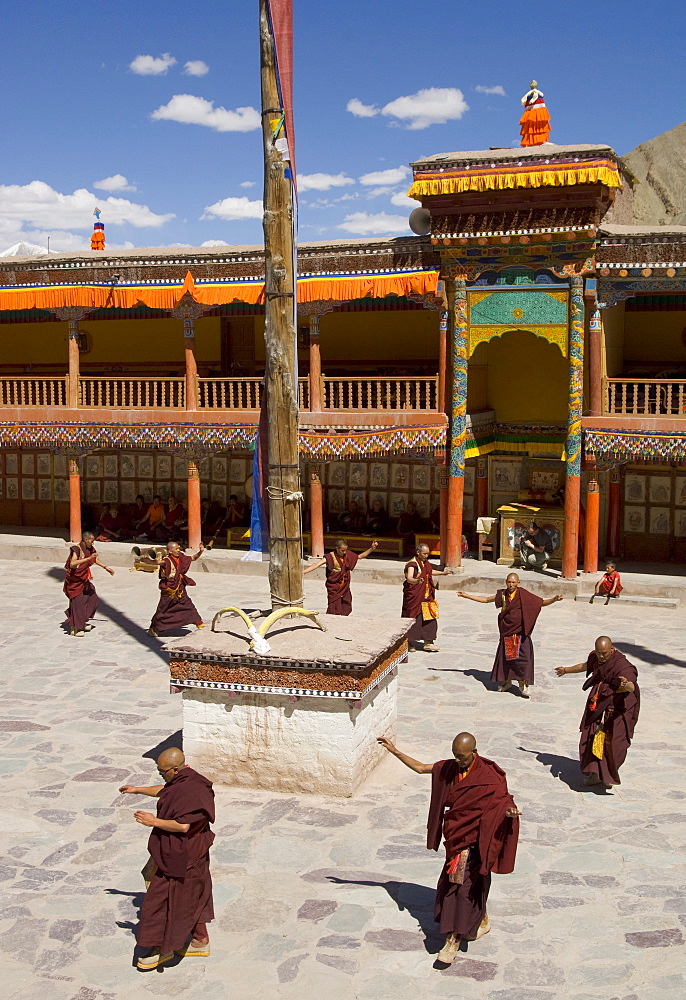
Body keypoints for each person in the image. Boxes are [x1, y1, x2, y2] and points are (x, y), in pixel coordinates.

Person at [377, 733, 520, 966]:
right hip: (456, 837)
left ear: (474, 752)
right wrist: (394, 751)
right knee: (463, 884)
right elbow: (421, 768)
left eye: (462, 757)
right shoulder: (451, 768)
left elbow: (503, 801)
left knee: (459, 888)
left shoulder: (490, 776)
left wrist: (510, 813)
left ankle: (452, 939)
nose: (459, 761)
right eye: (455, 756)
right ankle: (481, 918)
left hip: (476, 840)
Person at [118, 748, 215, 971]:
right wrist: (137, 790)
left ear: (175, 768)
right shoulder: (184, 779)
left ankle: (160, 948)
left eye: (163, 771)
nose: (161, 774)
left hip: (185, 854)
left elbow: (183, 825)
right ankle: (200, 941)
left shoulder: (194, 789)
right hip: (179, 851)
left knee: (160, 900)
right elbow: (166, 790)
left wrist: (154, 821)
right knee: (193, 894)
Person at [458, 573, 562, 697]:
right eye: (509, 582)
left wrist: (554, 599)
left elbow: (541, 603)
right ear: (506, 582)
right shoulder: (502, 595)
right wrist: (467, 596)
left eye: (513, 582)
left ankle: (523, 683)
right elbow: (486, 600)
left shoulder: (524, 595)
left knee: (523, 659)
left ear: (518, 583)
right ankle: (507, 681)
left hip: (521, 633)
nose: (511, 585)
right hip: (507, 631)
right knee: (507, 659)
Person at [555, 635, 640, 788]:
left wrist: (625, 684)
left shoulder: (623, 666)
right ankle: (594, 773)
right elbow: (585, 666)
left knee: (615, 742)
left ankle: (607, 774)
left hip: (619, 707)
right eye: (599, 652)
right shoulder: (596, 658)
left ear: (612, 650)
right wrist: (566, 670)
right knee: (590, 735)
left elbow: (631, 687)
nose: (601, 657)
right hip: (600, 700)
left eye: (604, 653)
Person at [303, 538, 378, 615]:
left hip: (344, 585)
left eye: (345, 550)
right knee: (334, 604)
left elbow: (360, 556)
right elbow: (316, 564)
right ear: (337, 548)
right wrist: (304, 572)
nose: (344, 552)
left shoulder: (347, 555)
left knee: (346, 603)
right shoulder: (330, 557)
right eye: (342, 550)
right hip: (334, 585)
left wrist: (372, 548)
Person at [402, 543, 454, 652]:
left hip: (426, 596)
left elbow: (430, 572)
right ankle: (409, 642)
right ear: (418, 552)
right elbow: (409, 578)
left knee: (430, 618)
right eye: (424, 553)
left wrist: (443, 573)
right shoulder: (412, 564)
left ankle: (428, 642)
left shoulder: (425, 563)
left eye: (427, 554)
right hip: (415, 597)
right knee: (412, 617)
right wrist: (417, 581)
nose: (426, 556)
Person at [148, 540, 205, 637]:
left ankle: (198, 622)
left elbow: (193, 558)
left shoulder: (182, 557)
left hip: (180, 587)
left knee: (187, 603)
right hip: (169, 589)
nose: (178, 550)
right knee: (163, 609)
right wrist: (148, 561)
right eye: (176, 549)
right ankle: (154, 628)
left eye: (179, 548)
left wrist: (201, 551)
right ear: (170, 551)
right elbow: (158, 562)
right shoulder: (167, 560)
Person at [63, 530, 114, 637]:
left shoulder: (89, 548)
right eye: (91, 541)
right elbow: (73, 564)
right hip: (75, 581)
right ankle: (76, 629)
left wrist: (106, 567)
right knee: (78, 603)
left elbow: (94, 559)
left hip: (83, 579)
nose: (93, 543)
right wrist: (88, 558)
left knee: (92, 597)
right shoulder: (77, 549)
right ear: (86, 540)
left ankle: (81, 621)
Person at [519, 80, 551, 147]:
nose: (533, 83)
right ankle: (531, 140)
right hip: (531, 108)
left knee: (538, 121)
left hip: (537, 107)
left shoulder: (537, 94)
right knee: (532, 122)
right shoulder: (529, 96)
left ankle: (539, 140)